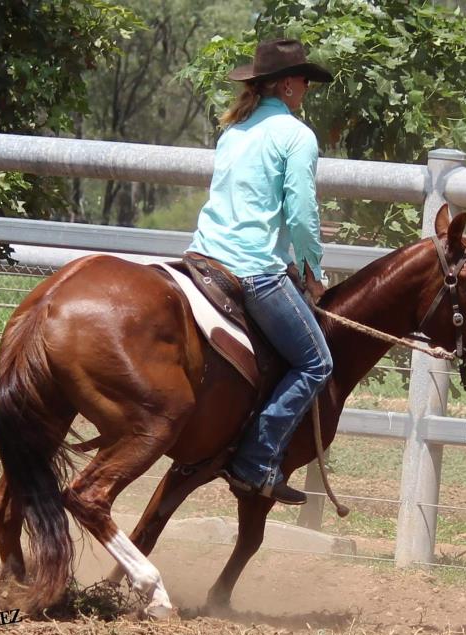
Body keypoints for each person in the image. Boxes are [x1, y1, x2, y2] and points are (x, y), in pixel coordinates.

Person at [187, 37, 334, 504]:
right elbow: (302, 214)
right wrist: (312, 271)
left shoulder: (234, 131)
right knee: (316, 363)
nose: (307, 89)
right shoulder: (296, 135)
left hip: (203, 259)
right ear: (288, 85)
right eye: (304, 81)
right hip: (254, 270)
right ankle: (256, 459)